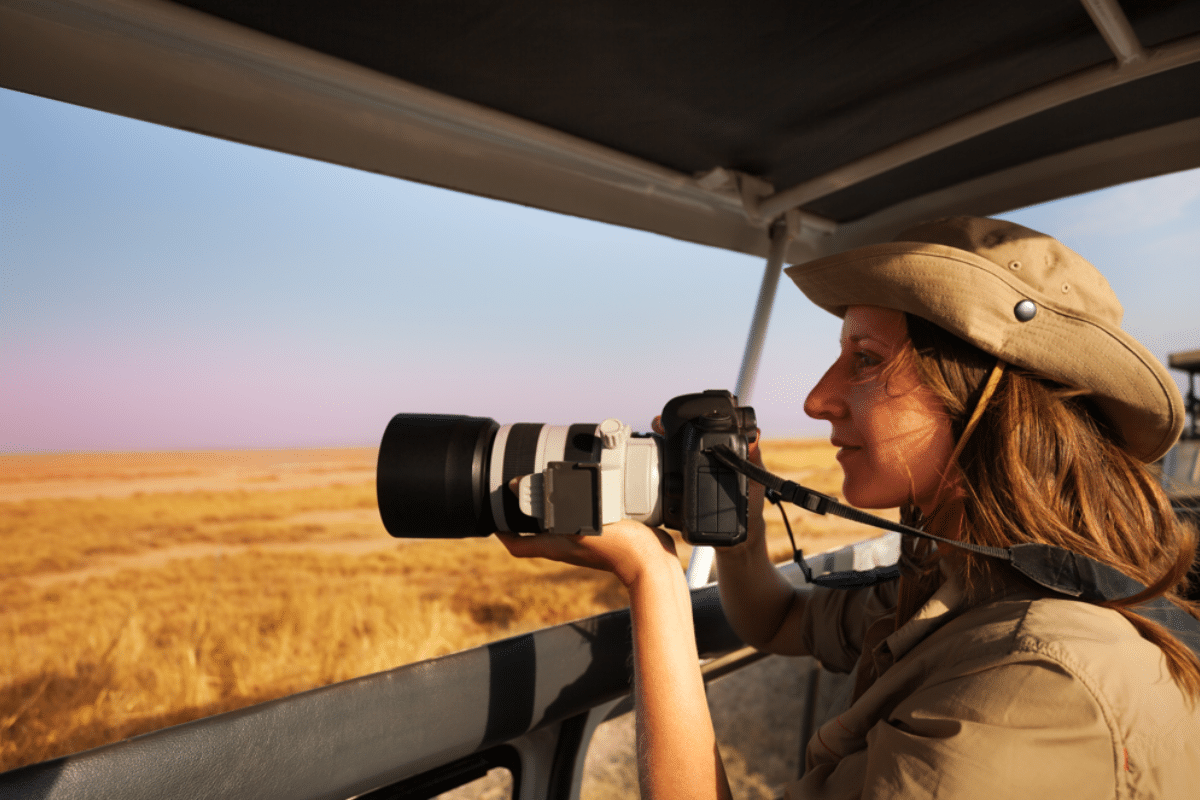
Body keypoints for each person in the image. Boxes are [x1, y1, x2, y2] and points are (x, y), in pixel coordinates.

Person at [500, 216, 1200, 799]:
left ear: (987, 405)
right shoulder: (968, 579)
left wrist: (651, 578)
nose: (815, 399)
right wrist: (737, 521)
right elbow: (779, 619)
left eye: (865, 359)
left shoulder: (1037, 687)